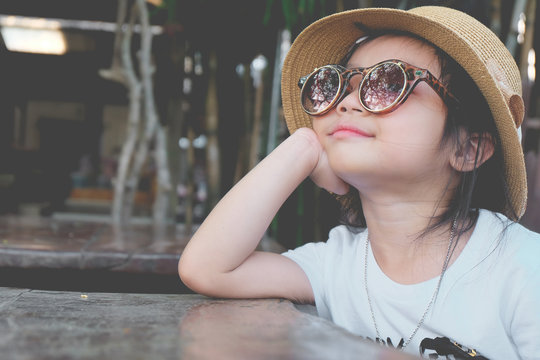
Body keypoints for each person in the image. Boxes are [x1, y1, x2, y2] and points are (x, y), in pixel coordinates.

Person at [179, 6, 540, 359]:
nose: (348, 102)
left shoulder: (523, 268)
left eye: (390, 83)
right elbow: (207, 268)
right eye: (334, 85)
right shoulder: (336, 266)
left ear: (468, 149)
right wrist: (303, 146)